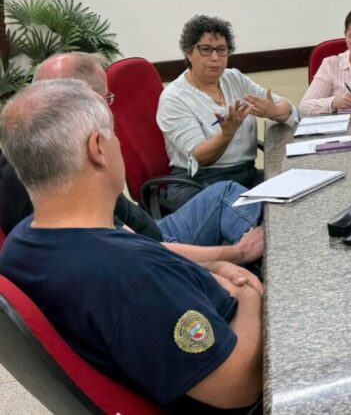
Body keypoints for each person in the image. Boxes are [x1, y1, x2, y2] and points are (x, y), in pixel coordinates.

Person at [0, 80, 263, 409]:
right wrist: (251, 294)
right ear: (98, 148)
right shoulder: (133, 276)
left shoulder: (22, 241)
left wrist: (216, 265)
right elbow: (238, 386)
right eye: (113, 134)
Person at [0, 52, 264, 268]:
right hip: (159, 246)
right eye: (106, 98)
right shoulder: (60, 176)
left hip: (151, 234)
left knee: (228, 194)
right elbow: (139, 253)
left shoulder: (32, 158)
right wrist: (234, 256)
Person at [157, 15, 297, 210]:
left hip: (245, 176)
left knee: (295, 195)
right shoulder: (174, 98)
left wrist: (273, 110)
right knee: (263, 214)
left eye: (221, 50)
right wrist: (226, 134)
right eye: (206, 49)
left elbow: (286, 106)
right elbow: (200, 157)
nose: (215, 58)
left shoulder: (234, 79)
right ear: (188, 52)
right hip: (200, 185)